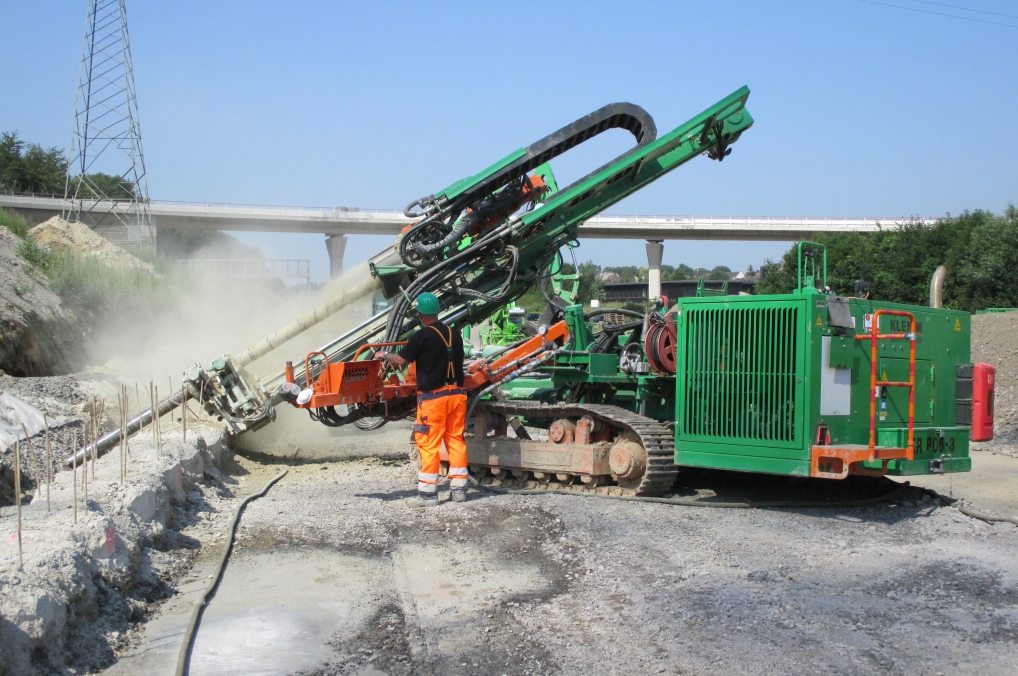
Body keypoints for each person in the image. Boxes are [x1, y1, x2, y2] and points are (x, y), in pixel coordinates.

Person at [380, 292, 468, 507]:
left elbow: (400, 359)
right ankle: (459, 492)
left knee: (428, 444)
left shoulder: (421, 336)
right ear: (437, 311)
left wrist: (383, 355)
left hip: (434, 399)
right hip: (456, 395)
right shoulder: (454, 333)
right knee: (456, 440)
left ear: (420, 315)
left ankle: (428, 495)